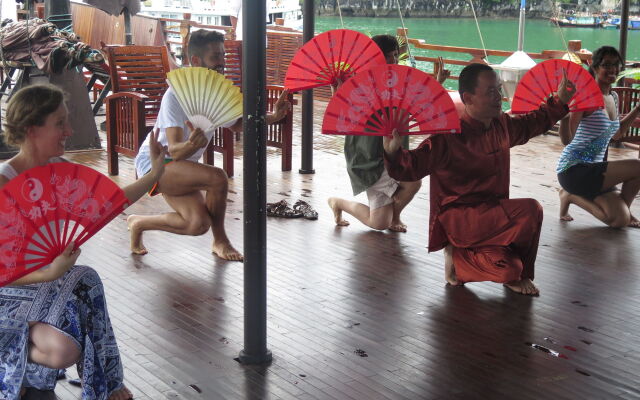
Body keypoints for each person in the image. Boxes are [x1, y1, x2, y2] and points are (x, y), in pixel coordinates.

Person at [0, 84, 167, 399]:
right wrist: (50, 272)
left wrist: (152, 175)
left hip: (39, 288)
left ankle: (22, 367)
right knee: (77, 289)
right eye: (60, 123)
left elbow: (109, 202)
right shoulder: (3, 182)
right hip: (6, 294)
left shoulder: (59, 171)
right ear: (32, 129)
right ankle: (18, 365)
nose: (69, 130)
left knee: (80, 296)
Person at [383, 63, 575, 295]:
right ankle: (505, 269)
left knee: (509, 269)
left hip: (493, 218)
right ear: (468, 98)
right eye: (491, 92)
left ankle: (460, 263)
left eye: (500, 89)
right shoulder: (449, 137)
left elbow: (532, 123)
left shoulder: (501, 124)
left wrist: (560, 100)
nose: (500, 97)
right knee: (530, 210)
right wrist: (393, 152)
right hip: (461, 220)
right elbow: (411, 168)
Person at [128, 29, 289, 261]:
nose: (221, 63)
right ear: (195, 60)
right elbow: (173, 149)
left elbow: (237, 124)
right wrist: (192, 146)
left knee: (197, 224)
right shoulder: (175, 95)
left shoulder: (215, 92)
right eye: (215, 57)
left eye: (223, 56)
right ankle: (220, 241)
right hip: (156, 164)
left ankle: (138, 223)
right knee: (218, 177)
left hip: (182, 166)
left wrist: (273, 117)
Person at [327, 35, 449, 232]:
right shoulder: (361, 83)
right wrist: (338, 92)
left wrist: (437, 83)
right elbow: (343, 115)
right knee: (381, 220)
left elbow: (417, 105)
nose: (393, 61)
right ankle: (339, 202)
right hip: (368, 156)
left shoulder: (400, 81)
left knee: (409, 186)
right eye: (389, 56)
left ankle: (394, 217)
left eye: (395, 55)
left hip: (393, 153)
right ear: (375, 57)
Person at [557, 46, 640, 227]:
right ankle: (569, 194)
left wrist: (637, 109)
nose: (613, 69)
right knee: (638, 167)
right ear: (594, 67)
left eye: (616, 64)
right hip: (574, 169)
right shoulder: (583, 96)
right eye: (607, 65)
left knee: (619, 220)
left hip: (596, 170)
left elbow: (617, 135)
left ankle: (625, 212)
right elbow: (567, 140)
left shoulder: (614, 97)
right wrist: (564, 120)